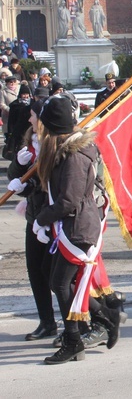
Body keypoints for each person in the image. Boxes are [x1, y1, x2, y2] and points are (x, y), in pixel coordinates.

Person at [34, 96, 121, 364]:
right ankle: (104, 318)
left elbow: (68, 200)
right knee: (60, 282)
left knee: (60, 283)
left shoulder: (74, 156)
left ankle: (75, 339)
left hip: (79, 227)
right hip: (73, 225)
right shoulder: (65, 151)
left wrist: (41, 219)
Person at [7, 101, 56, 341]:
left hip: (54, 219)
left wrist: (30, 184)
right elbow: (15, 177)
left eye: (33, 115)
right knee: (35, 271)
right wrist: (19, 166)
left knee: (59, 275)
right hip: (34, 216)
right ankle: (47, 322)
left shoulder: (55, 145)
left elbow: (54, 184)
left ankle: (85, 319)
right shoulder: (30, 141)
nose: (29, 120)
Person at [1, 74, 20, 144]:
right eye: (10, 82)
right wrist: (9, 110)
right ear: (7, 83)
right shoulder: (3, 92)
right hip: (8, 116)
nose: (12, 84)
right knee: (9, 136)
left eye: (14, 82)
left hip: (18, 115)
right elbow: (2, 104)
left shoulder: (19, 90)